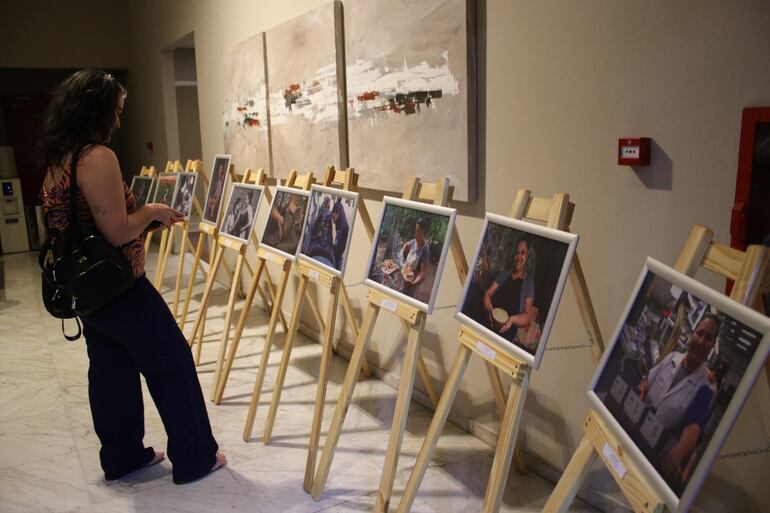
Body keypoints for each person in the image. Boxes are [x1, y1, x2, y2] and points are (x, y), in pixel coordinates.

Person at [38, 70, 225, 484]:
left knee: (111, 370)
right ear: (97, 110)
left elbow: (82, 223)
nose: (119, 122)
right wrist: (151, 213)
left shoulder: (60, 159)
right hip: (120, 286)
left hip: (88, 288)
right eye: (116, 112)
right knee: (171, 362)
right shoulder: (96, 157)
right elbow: (117, 230)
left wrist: (144, 222)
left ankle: (121, 456)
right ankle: (195, 457)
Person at [637, 313, 719, 483]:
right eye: (700, 333)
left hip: (656, 456)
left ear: (712, 347)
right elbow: (648, 382)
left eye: (709, 338)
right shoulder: (671, 358)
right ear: (692, 334)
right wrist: (643, 386)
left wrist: (678, 454)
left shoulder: (706, 386)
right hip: (635, 432)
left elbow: (694, 426)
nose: (702, 342)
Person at [482, 237, 535, 343]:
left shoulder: (529, 282)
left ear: (527, 256)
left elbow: (528, 316)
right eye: (517, 253)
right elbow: (488, 293)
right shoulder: (504, 274)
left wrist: (512, 319)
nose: (519, 256)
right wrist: (490, 310)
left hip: (506, 335)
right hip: (489, 321)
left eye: (523, 253)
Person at [399, 218, 431, 298]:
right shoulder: (414, 241)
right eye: (415, 231)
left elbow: (423, 272)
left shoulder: (425, 249)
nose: (416, 234)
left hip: (413, 281)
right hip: (404, 274)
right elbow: (406, 245)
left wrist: (412, 284)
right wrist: (402, 253)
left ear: (424, 232)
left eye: (419, 232)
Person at [330, 199, 349, 269]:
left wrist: (334, 246)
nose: (333, 221)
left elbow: (337, 242)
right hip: (341, 237)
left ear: (337, 213)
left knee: (337, 256)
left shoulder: (342, 226)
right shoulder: (338, 209)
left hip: (342, 241)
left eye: (333, 218)